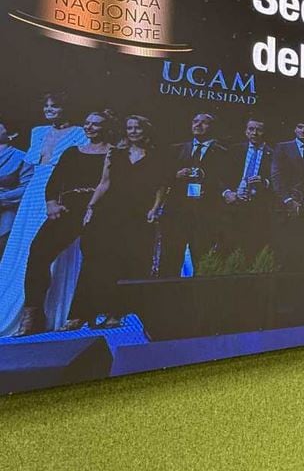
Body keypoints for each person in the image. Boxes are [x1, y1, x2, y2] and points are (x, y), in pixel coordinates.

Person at [16, 110, 115, 335]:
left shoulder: (114, 153)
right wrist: (51, 203)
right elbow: (54, 181)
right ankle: (32, 315)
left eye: (96, 124)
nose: (89, 127)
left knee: (95, 259)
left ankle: (81, 314)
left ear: (107, 128)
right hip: (69, 209)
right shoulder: (72, 152)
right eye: (87, 123)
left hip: (98, 209)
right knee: (38, 252)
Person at [0, 92, 87, 336]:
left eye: (55, 106)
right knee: (22, 247)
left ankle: (52, 310)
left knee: (49, 249)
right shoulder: (38, 131)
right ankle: (20, 309)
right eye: (47, 106)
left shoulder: (80, 133)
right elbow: (33, 166)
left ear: (66, 108)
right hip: (33, 194)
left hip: (59, 192)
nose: (49, 110)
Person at [79, 115, 165, 328]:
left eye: (137, 128)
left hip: (138, 214)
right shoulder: (115, 153)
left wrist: (155, 208)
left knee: (131, 261)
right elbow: (104, 183)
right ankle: (103, 310)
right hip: (111, 212)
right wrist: (90, 207)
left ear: (146, 130)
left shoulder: (157, 156)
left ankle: (122, 311)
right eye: (129, 128)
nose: (133, 131)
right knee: (107, 261)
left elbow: (160, 186)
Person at [158, 112, 230, 277]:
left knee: (202, 257)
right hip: (177, 212)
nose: (198, 125)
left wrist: (207, 180)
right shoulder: (176, 149)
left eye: (204, 123)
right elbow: (163, 176)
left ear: (212, 127)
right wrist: (176, 175)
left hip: (206, 213)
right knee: (171, 257)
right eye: (195, 121)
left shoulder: (223, 152)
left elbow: (226, 178)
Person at [223, 117, 273, 262]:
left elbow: (278, 181)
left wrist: (264, 182)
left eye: (259, 130)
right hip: (233, 205)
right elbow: (220, 176)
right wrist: (227, 192)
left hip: (258, 208)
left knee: (253, 249)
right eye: (251, 129)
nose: (254, 133)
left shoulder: (273, 153)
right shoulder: (234, 150)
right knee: (229, 248)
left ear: (264, 132)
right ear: (246, 131)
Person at [271, 120, 304, 273]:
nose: (303, 131)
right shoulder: (283, 147)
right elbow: (276, 176)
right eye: (300, 127)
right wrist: (288, 200)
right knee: (286, 249)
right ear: (295, 129)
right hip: (286, 206)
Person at [0, 120, 34, 258]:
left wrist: (2, 198)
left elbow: (27, 187)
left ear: (12, 134)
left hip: (7, 206)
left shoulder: (22, 157)